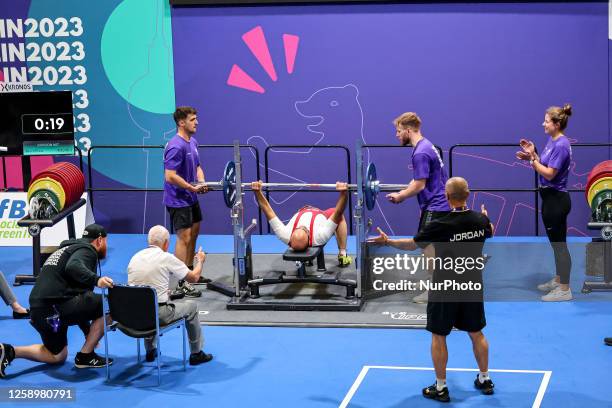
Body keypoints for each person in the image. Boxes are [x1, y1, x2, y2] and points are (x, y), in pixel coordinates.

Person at [369, 177, 494, 403]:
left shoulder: (440, 224)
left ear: (447, 198)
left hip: (444, 286)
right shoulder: (481, 220)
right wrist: (485, 216)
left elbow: (412, 244)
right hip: (472, 284)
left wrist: (387, 242)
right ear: (468, 194)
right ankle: (485, 379)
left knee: (439, 336)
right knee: (476, 333)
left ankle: (441, 387)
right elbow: (490, 230)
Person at [0, 224, 114, 378]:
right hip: (56, 307)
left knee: (57, 356)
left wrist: (87, 331)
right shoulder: (88, 251)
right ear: (99, 240)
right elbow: (73, 267)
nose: (106, 245)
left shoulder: (66, 249)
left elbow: (82, 296)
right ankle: (86, 356)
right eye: (106, 241)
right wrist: (97, 279)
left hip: (39, 310)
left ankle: (10, 351)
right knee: (111, 304)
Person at [386, 112, 451, 302]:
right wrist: (407, 189)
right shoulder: (428, 145)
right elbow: (420, 179)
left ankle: (434, 290)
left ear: (407, 130)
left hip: (436, 205)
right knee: (433, 246)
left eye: (398, 131)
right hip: (439, 203)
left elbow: (420, 185)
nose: (397, 135)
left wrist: (401, 196)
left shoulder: (420, 152)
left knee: (427, 246)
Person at [127, 225, 212, 365]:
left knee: (145, 303)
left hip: (133, 316)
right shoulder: (166, 257)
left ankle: (150, 350)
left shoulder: (135, 257)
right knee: (192, 307)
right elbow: (194, 278)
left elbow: (138, 288)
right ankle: (196, 353)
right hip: (158, 315)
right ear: (166, 243)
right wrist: (200, 261)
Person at [516, 104, 573, 301]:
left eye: (547, 121)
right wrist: (532, 155)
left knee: (559, 245)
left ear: (557, 124)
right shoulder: (553, 141)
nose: (543, 124)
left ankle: (565, 289)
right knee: (556, 244)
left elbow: (549, 174)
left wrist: (533, 162)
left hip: (556, 201)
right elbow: (545, 164)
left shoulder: (561, 145)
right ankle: (559, 280)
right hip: (550, 199)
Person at [164, 106, 209, 297]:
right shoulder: (176, 146)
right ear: (181, 123)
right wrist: (191, 187)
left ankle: (190, 273)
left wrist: (201, 181)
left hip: (191, 196)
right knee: (184, 238)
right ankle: (181, 282)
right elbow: (170, 176)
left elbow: (197, 166)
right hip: (178, 199)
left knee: (195, 233)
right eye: (192, 119)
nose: (196, 122)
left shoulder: (193, 142)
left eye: (196, 118)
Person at [251, 180, 352, 266]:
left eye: (298, 228)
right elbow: (339, 211)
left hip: (303, 210)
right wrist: (343, 193)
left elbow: (266, 208)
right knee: (339, 217)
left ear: (291, 237)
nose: (302, 226)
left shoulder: (284, 234)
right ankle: (343, 254)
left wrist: (257, 191)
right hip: (321, 214)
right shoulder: (320, 237)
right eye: (304, 229)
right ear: (309, 239)